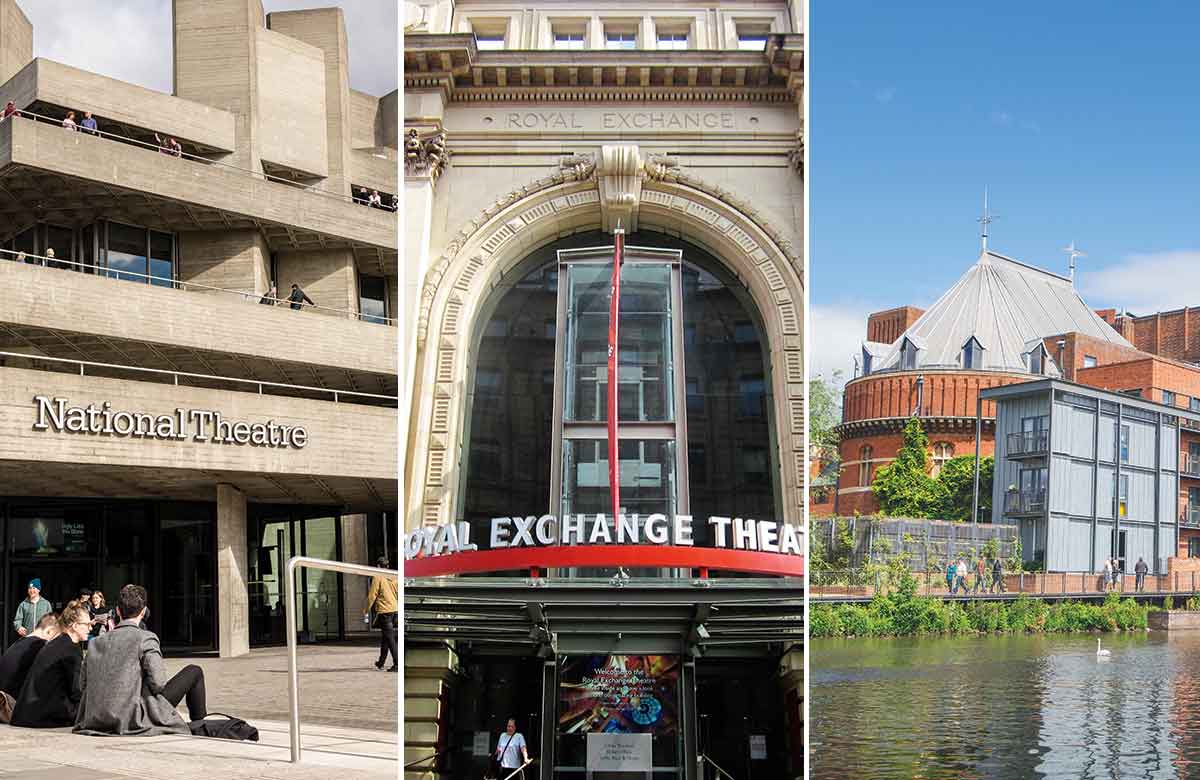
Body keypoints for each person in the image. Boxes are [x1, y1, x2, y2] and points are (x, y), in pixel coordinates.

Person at [74, 584, 203, 736]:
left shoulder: (95, 642)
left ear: (117, 611)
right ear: (143, 612)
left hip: (95, 717)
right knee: (194, 671)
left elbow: (82, 685)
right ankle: (201, 724)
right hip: (132, 717)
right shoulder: (146, 638)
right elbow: (159, 683)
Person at [10, 601, 90, 727]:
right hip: (44, 716)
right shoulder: (71, 649)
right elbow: (76, 691)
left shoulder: (56, 643)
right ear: (75, 626)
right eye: (87, 624)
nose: (90, 628)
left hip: (25, 714)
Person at [0, 613, 59, 722]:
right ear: (49, 631)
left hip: (4, 702)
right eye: (57, 637)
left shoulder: (17, 643)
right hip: (12, 708)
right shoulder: (40, 647)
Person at [365, 557, 398, 672]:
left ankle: (397, 663)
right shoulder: (394, 576)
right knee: (386, 637)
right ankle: (381, 662)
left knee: (390, 639)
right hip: (394, 610)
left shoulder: (378, 577)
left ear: (378, 566)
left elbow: (372, 595)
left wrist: (366, 609)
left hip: (385, 612)